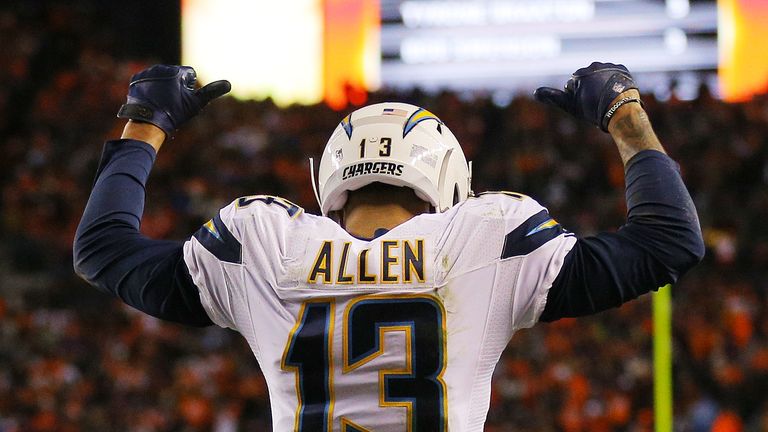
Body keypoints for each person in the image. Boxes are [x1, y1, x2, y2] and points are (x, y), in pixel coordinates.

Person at [73, 62, 704, 431]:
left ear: (330, 178)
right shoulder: (488, 237)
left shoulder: (263, 242)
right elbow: (669, 240)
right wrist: (624, 115)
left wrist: (144, 127)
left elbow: (103, 250)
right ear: (449, 176)